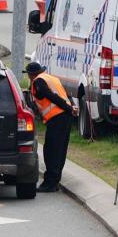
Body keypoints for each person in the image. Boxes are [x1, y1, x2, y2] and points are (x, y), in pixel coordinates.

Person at [24, 62, 79, 192]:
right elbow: (66, 95)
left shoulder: (38, 82)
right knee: (59, 150)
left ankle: (50, 183)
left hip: (57, 118)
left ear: (31, 75)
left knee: (51, 151)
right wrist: (71, 107)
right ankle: (54, 182)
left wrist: (69, 108)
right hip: (64, 117)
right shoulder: (52, 78)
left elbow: (52, 97)